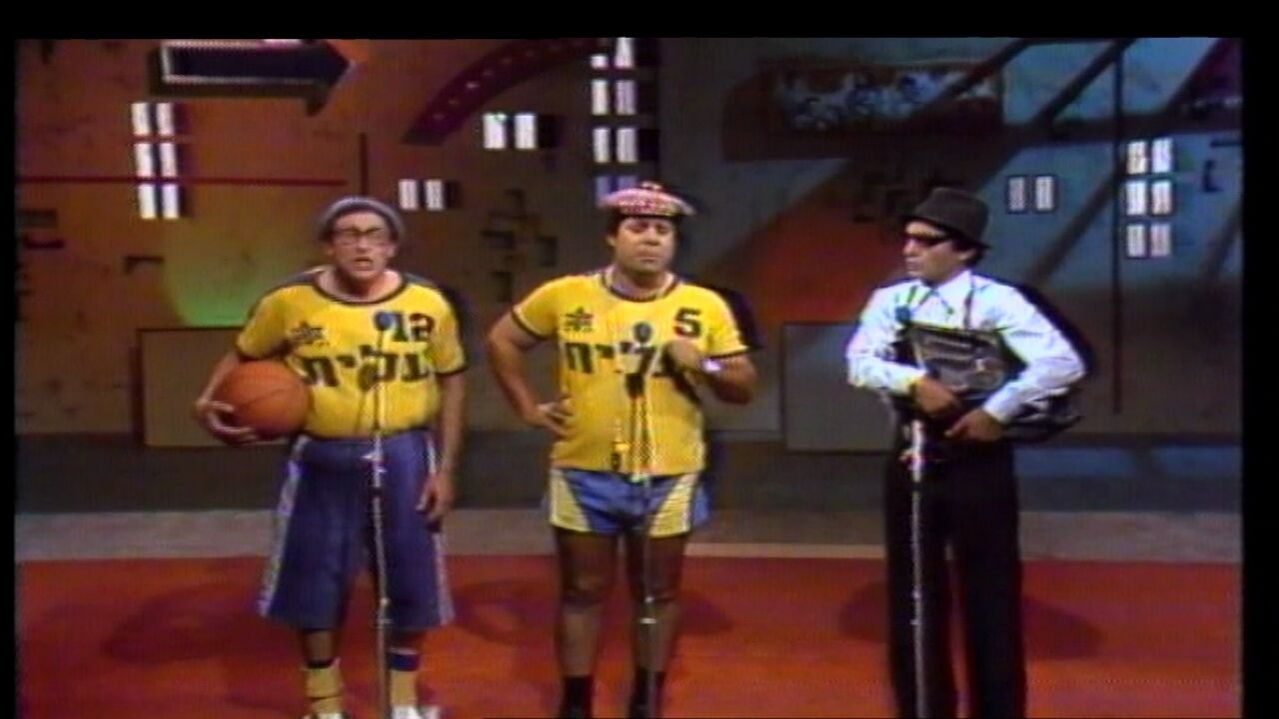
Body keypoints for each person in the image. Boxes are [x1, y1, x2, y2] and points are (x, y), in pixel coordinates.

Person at [486, 182, 757, 719]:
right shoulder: (565, 295)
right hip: (583, 468)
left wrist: (702, 363)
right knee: (582, 590)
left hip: (670, 471)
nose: (650, 239)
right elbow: (502, 339)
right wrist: (527, 407)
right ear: (613, 237)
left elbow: (743, 385)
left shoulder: (704, 306)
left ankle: (645, 701)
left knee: (658, 591)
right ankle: (576, 703)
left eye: (662, 230)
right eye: (637, 228)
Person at [193, 196, 466, 719]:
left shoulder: (428, 303)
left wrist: (446, 469)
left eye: (374, 235)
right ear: (327, 246)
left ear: (392, 247)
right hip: (321, 455)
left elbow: (453, 381)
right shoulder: (288, 302)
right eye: (348, 234)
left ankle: (403, 704)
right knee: (315, 583)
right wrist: (205, 400)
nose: (362, 245)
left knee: (412, 581)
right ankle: (325, 706)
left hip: (405, 452)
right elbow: (243, 354)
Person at [845, 187, 1085, 718]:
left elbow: (1061, 363)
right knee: (914, 596)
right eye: (908, 238)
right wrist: (913, 382)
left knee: (992, 595)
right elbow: (859, 362)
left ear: (965, 251)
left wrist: (998, 411)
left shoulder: (999, 301)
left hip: (981, 460)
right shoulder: (892, 301)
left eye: (926, 241)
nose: (910, 250)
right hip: (914, 457)